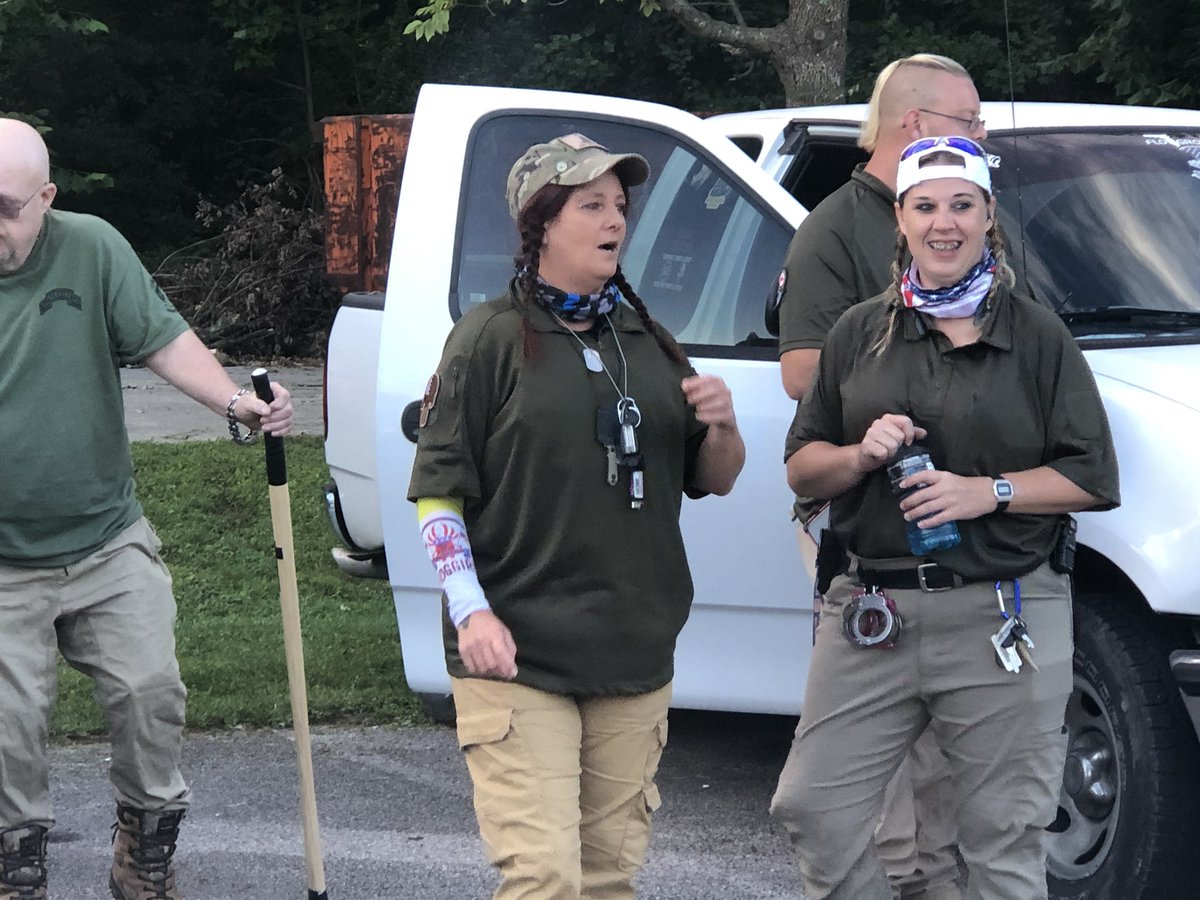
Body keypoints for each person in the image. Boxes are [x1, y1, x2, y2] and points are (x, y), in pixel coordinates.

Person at [769, 136, 1119, 900]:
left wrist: (984, 493)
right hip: (870, 613)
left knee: (1002, 838)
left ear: (989, 214)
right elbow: (800, 466)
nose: (944, 224)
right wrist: (860, 456)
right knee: (813, 809)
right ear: (900, 219)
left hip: (1002, 611)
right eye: (925, 206)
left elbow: (1089, 476)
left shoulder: (1037, 334)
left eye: (962, 205)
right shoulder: (859, 332)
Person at [407, 133, 745, 899]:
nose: (614, 220)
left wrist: (723, 427)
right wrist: (471, 613)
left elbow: (714, 478)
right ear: (542, 222)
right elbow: (437, 491)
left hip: (632, 654)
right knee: (545, 878)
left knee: (608, 879)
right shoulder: (492, 338)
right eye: (591, 204)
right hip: (517, 651)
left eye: (620, 205)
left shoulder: (650, 341)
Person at [0, 118, 293, 900]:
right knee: (7, 723)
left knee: (149, 693)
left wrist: (236, 401)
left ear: (47, 198)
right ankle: (14, 866)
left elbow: (163, 339)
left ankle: (144, 850)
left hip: (104, 538)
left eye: (5, 207)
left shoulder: (91, 247)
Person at [773, 53, 987, 900]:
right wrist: (915, 372)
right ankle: (899, 879)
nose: (980, 137)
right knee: (886, 746)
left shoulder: (974, 216)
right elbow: (798, 371)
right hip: (868, 517)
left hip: (970, 517)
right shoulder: (836, 227)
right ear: (916, 126)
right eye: (969, 123)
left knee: (950, 749)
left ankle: (935, 878)